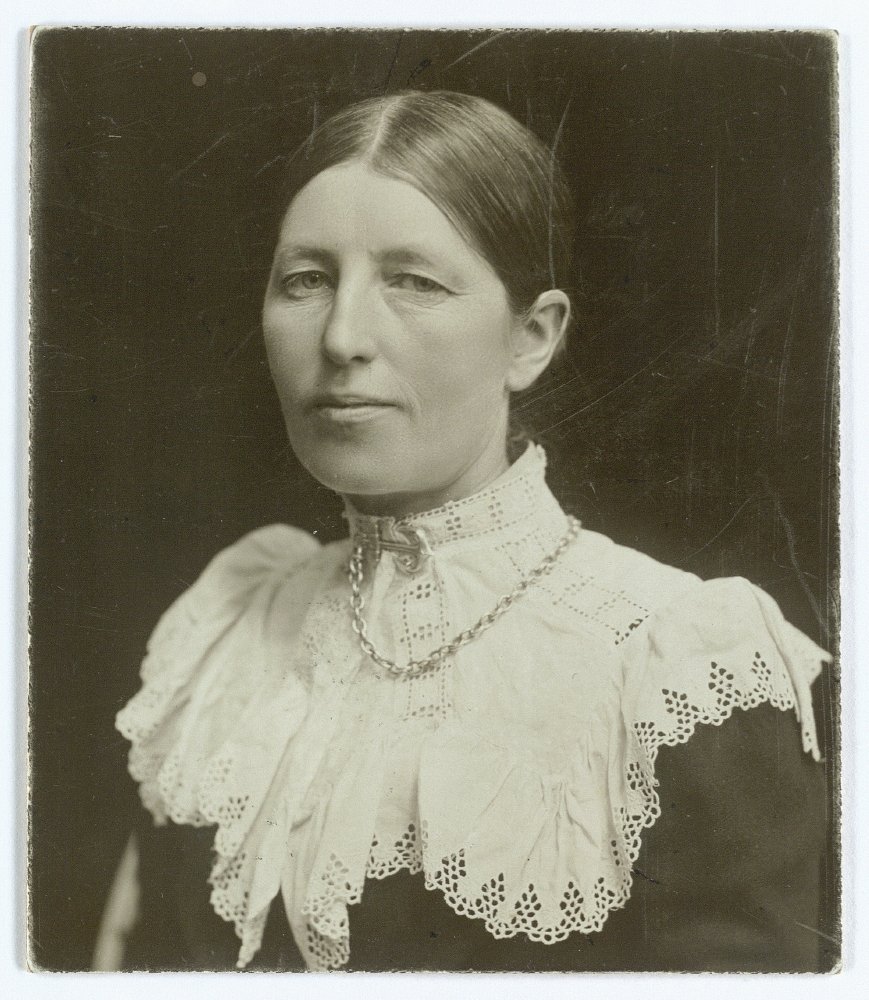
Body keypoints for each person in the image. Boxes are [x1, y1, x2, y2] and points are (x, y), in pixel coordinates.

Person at [100, 90, 832, 973]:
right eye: (307, 280)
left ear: (531, 338)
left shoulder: (672, 664)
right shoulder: (231, 628)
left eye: (413, 282)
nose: (342, 337)